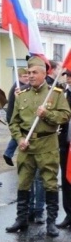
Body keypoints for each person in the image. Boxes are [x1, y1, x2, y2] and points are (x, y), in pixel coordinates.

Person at [6, 56, 71, 237]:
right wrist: (19, 139)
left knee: (49, 183)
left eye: (35, 72)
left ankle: (51, 222)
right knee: (24, 183)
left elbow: (65, 115)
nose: (31, 76)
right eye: (28, 73)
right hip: (26, 146)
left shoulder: (55, 94)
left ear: (44, 74)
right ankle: (21, 219)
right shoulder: (21, 95)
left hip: (47, 144)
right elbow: (14, 122)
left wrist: (47, 114)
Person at [3, 68, 29, 166]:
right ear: (19, 77)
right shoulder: (18, 88)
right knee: (18, 135)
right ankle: (8, 153)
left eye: (27, 76)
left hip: (15, 115)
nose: (27, 78)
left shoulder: (21, 86)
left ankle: (9, 154)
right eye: (24, 76)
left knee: (18, 135)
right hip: (13, 116)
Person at [56, 69, 71, 228]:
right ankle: (69, 214)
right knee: (66, 181)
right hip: (65, 144)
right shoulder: (61, 94)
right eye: (67, 75)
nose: (68, 78)